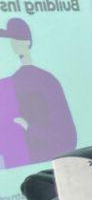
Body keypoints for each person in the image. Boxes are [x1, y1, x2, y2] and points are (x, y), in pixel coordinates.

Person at [0, 17, 76, 166]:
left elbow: (67, 139)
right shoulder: (4, 84)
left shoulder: (45, 81)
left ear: (26, 44)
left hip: (46, 170)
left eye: (13, 41)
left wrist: (29, 128)